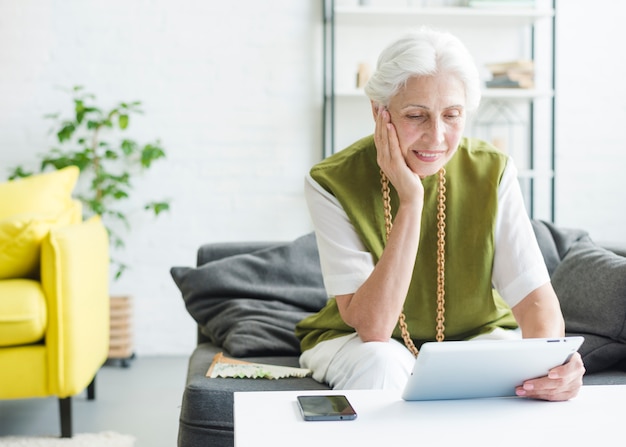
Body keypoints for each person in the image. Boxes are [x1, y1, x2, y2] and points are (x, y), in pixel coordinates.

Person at [295, 28, 585, 401]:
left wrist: (555, 362)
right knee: (381, 364)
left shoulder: (492, 170)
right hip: (359, 343)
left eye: (452, 115)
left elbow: (535, 302)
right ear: (378, 111)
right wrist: (411, 200)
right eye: (417, 115)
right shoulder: (331, 180)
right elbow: (374, 327)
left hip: (474, 338)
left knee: (529, 377)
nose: (437, 137)